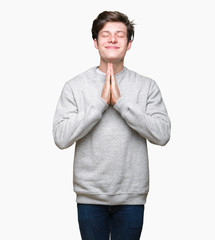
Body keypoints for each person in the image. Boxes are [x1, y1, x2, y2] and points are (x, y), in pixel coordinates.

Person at [52, 10, 171, 240]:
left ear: (129, 43)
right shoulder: (74, 86)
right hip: (90, 196)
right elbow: (60, 137)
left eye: (120, 35)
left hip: (131, 196)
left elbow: (162, 134)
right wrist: (99, 104)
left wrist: (121, 102)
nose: (113, 39)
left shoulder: (147, 86)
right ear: (95, 42)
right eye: (106, 35)